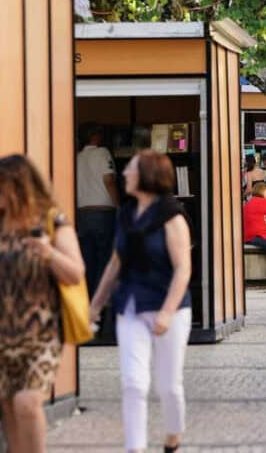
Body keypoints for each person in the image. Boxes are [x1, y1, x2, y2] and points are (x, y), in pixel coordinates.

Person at [0, 155, 86, 453]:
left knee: (27, 402)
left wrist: (49, 253)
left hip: (41, 333)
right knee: (8, 408)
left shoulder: (52, 221)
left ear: (19, 187)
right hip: (0, 333)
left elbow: (76, 273)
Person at [89, 150, 193, 453]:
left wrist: (167, 312)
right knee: (133, 383)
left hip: (168, 307)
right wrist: (95, 305)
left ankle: (173, 435)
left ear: (147, 174)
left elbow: (183, 268)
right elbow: (114, 264)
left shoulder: (172, 216)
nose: (124, 174)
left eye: (131, 169)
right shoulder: (125, 213)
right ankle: (135, 448)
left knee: (168, 385)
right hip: (131, 306)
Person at [76, 123, 119, 299]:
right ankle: (100, 302)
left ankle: (86, 299)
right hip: (102, 213)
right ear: (95, 136)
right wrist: (119, 205)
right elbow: (108, 180)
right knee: (104, 260)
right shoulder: (103, 153)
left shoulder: (76, 157)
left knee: (87, 260)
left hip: (82, 213)